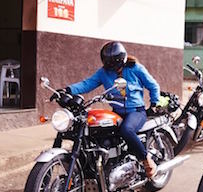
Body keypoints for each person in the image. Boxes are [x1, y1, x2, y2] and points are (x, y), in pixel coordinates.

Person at [63, 41, 160, 178]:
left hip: (136, 111)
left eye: (116, 66)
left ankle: (146, 159)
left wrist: (154, 103)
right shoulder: (104, 72)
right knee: (97, 131)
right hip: (116, 112)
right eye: (110, 66)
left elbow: (153, 86)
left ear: (122, 60)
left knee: (127, 130)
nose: (114, 70)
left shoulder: (135, 68)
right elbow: (87, 84)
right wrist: (68, 90)